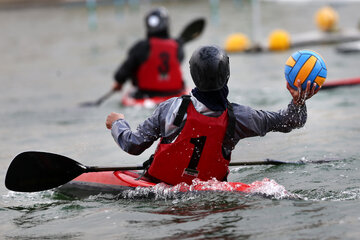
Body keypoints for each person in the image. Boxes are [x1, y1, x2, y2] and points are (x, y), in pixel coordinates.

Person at [106, 45, 320, 186]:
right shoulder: (241, 117)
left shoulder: (170, 109)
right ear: (227, 75)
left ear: (193, 74)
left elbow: (133, 145)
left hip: (158, 190)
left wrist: (118, 123)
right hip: (210, 196)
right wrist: (298, 102)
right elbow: (291, 121)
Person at [113, 7, 185, 99]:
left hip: (145, 95)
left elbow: (124, 71)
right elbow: (180, 60)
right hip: (175, 94)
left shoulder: (141, 46)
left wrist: (119, 82)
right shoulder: (178, 45)